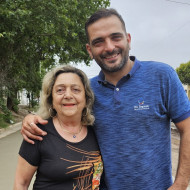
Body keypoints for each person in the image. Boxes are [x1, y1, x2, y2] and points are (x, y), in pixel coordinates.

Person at [21, 8, 190, 190]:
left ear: (128, 39)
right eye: (99, 42)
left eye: (116, 37)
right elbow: (61, 119)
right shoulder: (86, 93)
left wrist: (180, 184)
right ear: (89, 50)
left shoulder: (162, 76)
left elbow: (187, 128)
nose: (109, 47)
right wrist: (31, 120)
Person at [14, 65, 103, 190]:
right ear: (51, 99)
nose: (68, 95)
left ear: (86, 98)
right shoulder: (37, 132)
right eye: (60, 90)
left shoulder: (97, 131)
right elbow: (21, 184)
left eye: (76, 89)